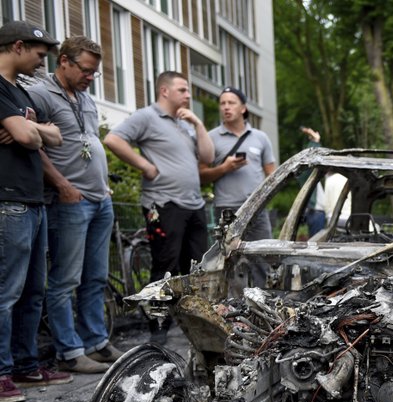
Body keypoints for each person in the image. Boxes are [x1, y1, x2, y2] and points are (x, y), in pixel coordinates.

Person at [28, 35, 122, 375]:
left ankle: (96, 341)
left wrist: (104, 186)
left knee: (95, 277)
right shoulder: (40, 93)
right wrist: (62, 184)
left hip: (99, 200)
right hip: (69, 202)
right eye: (85, 70)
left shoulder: (85, 97)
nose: (90, 77)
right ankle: (69, 350)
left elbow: (88, 142)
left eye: (94, 72)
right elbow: (33, 144)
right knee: (65, 279)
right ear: (64, 61)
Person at [104, 71, 215, 343]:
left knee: (198, 268)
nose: (188, 95)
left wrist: (199, 124)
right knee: (164, 264)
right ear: (164, 91)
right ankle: (158, 326)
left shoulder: (185, 123)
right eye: (182, 89)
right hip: (162, 205)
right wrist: (144, 166)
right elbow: (113, 139)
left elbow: (209, 157)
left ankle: (197, 324)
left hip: (193, 204)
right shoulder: (147, 117)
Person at [0, 21, 70, 402]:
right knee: (6, 290)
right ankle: (1, 372)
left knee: (33, 290)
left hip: (33, 199)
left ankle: (26, 365)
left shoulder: (20, 91)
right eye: (39, 54)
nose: (43, 62)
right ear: (18, 46)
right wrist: (32, 130)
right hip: (8, 200)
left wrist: (30, 127)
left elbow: (55, 136)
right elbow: (30, 138)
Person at [198, 86, 276, 241]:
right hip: (226, 209)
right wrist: (224, 168)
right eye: (222, 103)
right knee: (230, 260)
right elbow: (200, 176)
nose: (226, 107)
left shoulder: (261, 137)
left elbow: (272, 175)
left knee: (263, 258)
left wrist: (263, 199)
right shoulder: (210, 137)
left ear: (243, 108)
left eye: (231, 103)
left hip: (256, 208)